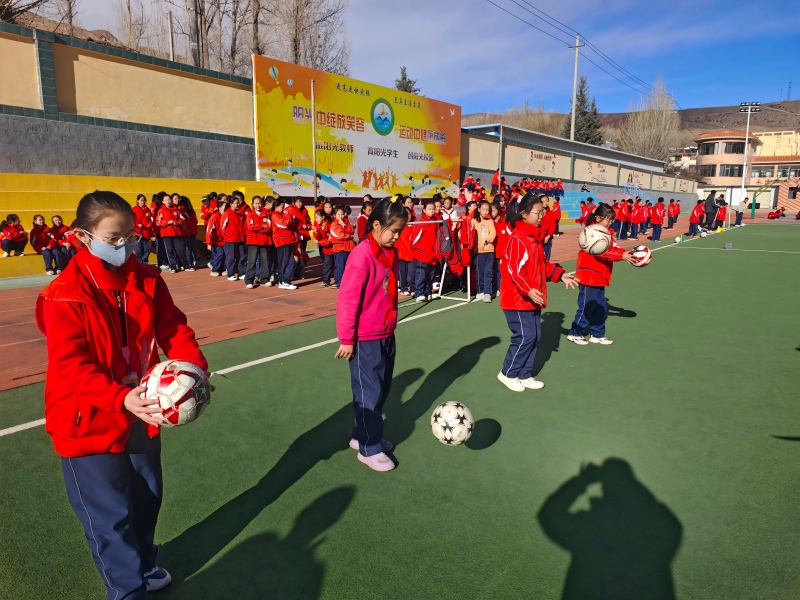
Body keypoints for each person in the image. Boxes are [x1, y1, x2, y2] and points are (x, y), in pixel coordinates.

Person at [35, 190, 208, 600]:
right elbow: (69, 365)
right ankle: (127, 591)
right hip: (87, 421)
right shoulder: (64, 294)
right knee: (110, 519)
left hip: (141, 411)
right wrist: (119, 398)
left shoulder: (147, 278)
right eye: (113, 238)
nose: (124, 246)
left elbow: (174, 329)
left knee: (147, 498)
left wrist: (193, 370)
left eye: (130, 236)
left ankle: (145, 563)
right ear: (83, 236)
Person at [334, 198, 407, 472]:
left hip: (385, 333)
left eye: (400, 231)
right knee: (369, 394)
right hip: (365, 339)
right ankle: (369, 448)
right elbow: (348, 299)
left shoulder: (390, 252)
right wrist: (347, 339)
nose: (397, 237)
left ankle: (361, 435)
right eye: (394, 231)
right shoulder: (362, 255)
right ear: (376, 225)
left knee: (381, 390)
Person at [498, 194, 579, 392]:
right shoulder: (518, 239)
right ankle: (508, 373)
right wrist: (528, 289)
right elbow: (515, 272)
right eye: (538, 212)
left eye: (542, 211)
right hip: (517, 299)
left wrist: (560, 274)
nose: (541, 215)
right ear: (524, 214)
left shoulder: (534, 238)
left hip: (533, 297)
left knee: (535, 336)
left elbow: (542, 264)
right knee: (524, 336)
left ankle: (524, 374)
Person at [567, 203, 637, 346]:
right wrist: (621, 256)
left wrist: (629, 253)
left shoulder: (607, 233)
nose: (610, 222)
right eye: (608, 219)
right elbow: (601, 252)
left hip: (599, 276)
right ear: (598, 218)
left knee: (600, 306)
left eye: (612, 220)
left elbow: (614, 248)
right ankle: (575, 332)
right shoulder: (592, 232)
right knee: (587, 306)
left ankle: (597, 334)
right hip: (589, 275)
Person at [411, 199, 439, 302]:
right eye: (429, 209)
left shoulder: (435, 222)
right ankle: (419, 293)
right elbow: (413, 238)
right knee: (421, 275)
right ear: (424, 210)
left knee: (430, 275)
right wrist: (417, 250)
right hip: (422, 254)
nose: (432, 211)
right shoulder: (422, 223)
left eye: (433, 209)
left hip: (432, 254)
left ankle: (428, 292)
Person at [244, 196, 273, 289]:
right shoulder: (250, 214)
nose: (258, 205)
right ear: (252, 204)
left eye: (259, 203)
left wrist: (259, 228)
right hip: (253, 241)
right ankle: (249, 280)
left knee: (265, 261)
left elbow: (269, 227)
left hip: (264, 241)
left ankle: (264, 279)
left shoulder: (266, 214)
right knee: (252, 261)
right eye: (256, 203)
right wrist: (261, 227)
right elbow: (250, 227)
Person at [271, 197, 299, 290]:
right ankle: (282, 281)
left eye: (284, 207)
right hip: (281, 240)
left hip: (288, 240)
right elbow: (285, 224)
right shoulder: (275, 215)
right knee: (284, 261)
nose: (284, 209)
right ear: (276, 206)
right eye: (282, 207)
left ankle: (287, 281)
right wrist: (287, 215)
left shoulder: (282, 214)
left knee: (291, 261)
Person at [472, 200, 497, 303]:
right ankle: (480, 291)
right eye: (483, 209)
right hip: (478, 251)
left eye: (487, 210)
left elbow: (493, 234)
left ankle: (487, 292)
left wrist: (485, 241)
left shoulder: (490, 221)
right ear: (479, 209)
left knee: (488, 272)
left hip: (489, 250)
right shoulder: (473, 221)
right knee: (480, 272)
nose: (485, 211)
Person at [156, 195, 186, 274]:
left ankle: (183, 264)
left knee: (180, 249)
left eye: (169, 200)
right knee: (169, 250)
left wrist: (178, 222)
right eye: (166, 200)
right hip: (166, 233)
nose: (168, 201)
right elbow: (158, 222)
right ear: (163, 202)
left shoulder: (176, 209)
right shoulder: (161, 211)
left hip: (176, 232)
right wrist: (167, 222)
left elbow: (182, 219)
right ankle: (173, 266)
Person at [221, 196, 246, 281]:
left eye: (238, 202)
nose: (238, 204)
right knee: (231, 257)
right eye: (236, 203)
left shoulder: (239, 214)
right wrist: (227, 236)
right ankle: (230, 274)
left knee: (242, 256)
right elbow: (222, 227)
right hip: (230, 239)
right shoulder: (227, 214)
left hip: (240, 239)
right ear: (231, 204)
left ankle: (241, 273)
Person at [395, 205, 415, 296]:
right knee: (402, 273)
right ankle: (403, 288)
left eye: (409, 214)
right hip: (402, 254)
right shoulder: (399, 226)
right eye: (405, 214)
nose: (408, 216)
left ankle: (413, 288)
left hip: (412, 254)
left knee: (411, 274)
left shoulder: (415, 225)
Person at [205, 196, 226, 276]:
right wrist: (209, 243)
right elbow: (209, 230)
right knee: (219, 254)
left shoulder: (226, 216)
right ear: (219, 208)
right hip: (215, 241)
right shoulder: (214, 217)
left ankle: (222, 269)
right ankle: (215, 269)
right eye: (224, 207)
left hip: (224, 240)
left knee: (224, 254)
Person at [313, 209, 335, 287]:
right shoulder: (318, 226)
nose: (316, 219)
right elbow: (317, 237)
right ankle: (327, 280)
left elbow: (331, 240)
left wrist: (320, 242)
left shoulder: (330, 225)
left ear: (323, 217)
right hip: (326, 249)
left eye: (317, 217)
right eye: (315, 218)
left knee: (334, 265)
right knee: (327, 264)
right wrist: (316, 232)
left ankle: (334, 281)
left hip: (334, 248)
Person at [132, 194, 155, 264]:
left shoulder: (148, 210)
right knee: (138, 251)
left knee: (146, 251)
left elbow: (152, 220)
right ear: (137, 201)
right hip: (137, 234)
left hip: (146, 234)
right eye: (141, 200)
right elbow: (130, 220)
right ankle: (139, 264)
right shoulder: (134, 210)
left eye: (144, 200)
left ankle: (145, 264)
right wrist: (137, 225)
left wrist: (150, 224)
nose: (143, 202)